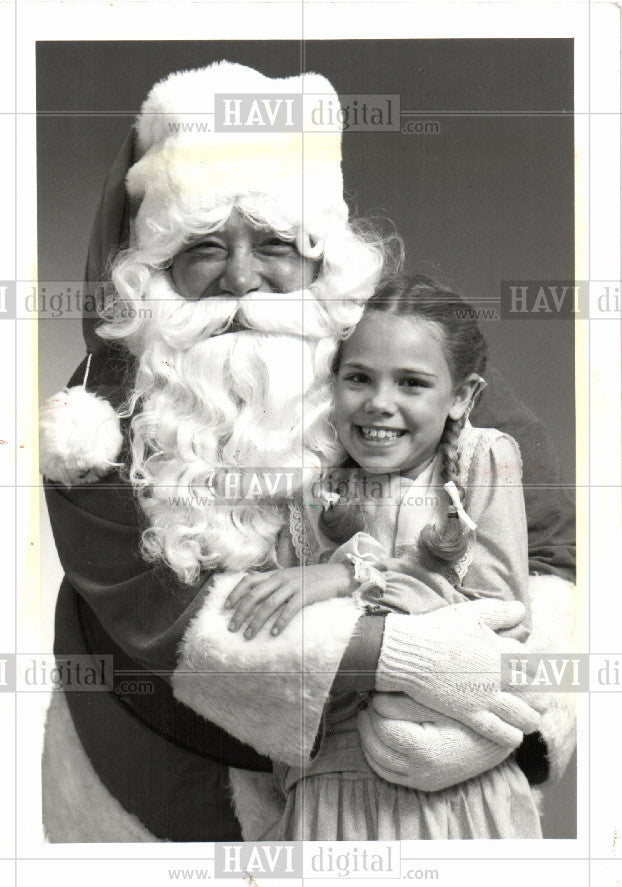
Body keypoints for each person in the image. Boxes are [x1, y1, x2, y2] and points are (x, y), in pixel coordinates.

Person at [40, 61, 576, 843]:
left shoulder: (397, 364)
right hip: (148, 777)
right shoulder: (96, 413)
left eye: (274, 242)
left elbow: (555, 556)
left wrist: (502, 724)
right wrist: (392, 653)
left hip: (410, 798)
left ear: (323, 253)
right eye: (203, 247)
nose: (242, 278)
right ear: (155, 265)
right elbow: (154, 613)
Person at [203, 276, 545, 839]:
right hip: (327, 791)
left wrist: (345, 575)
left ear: (462, 396)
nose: (379, 403)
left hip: (459, 790)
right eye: (358, 378)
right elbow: (283, 650)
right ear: (329, 385)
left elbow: (498, 618)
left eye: (412, 383)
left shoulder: (485, 460)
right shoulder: (306, 490)